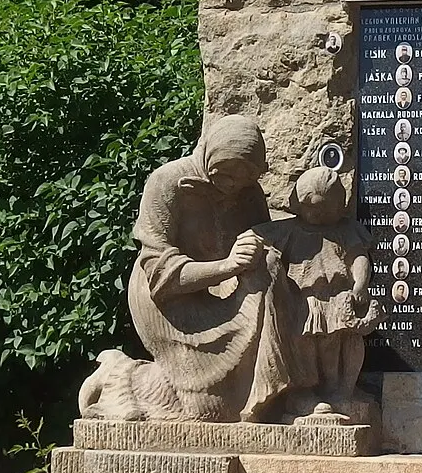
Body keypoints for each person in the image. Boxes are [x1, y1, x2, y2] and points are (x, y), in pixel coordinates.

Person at [125, 115, 308, 422]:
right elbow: (159, 276)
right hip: (170, 302)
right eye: (225, 176)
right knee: (209, 410)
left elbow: (262, 242)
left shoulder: (249, 194)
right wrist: (228, 265)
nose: (232, 187)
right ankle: (124, 379)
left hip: (220, 289)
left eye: (243, 180)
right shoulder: (168, 183)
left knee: (272, 268)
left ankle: (273, 394)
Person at [255, 168, 382, 418]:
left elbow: (359, 258)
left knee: (332, 344)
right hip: (302, 301)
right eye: (312, 207)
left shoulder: (345, 230)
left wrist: (360, 285)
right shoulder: (288, 230)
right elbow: (255, 239)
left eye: (325, 208)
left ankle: (335, 390)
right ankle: (304, 392)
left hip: (337, 298)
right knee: (304, 346)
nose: (318, 214)